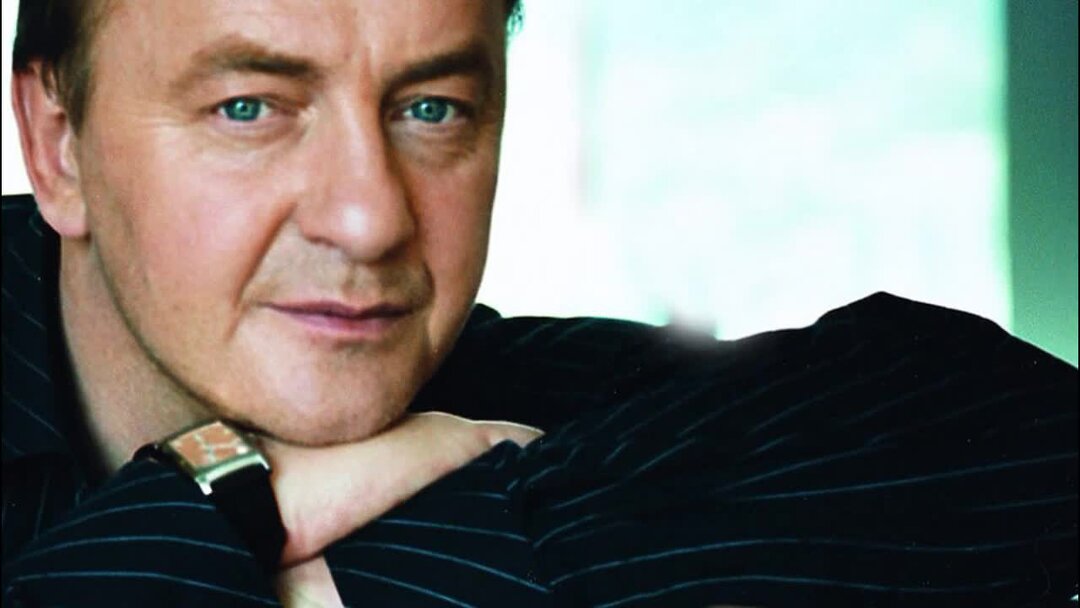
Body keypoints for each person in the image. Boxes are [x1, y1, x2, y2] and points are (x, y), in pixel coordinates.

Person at [2, 1, 1076, 606]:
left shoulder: (507, 405)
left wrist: (363, 570)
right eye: (249, 108)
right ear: (58, 145)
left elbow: (1017, 435)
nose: (370, 218)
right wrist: (219, 518)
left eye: (432, 108)